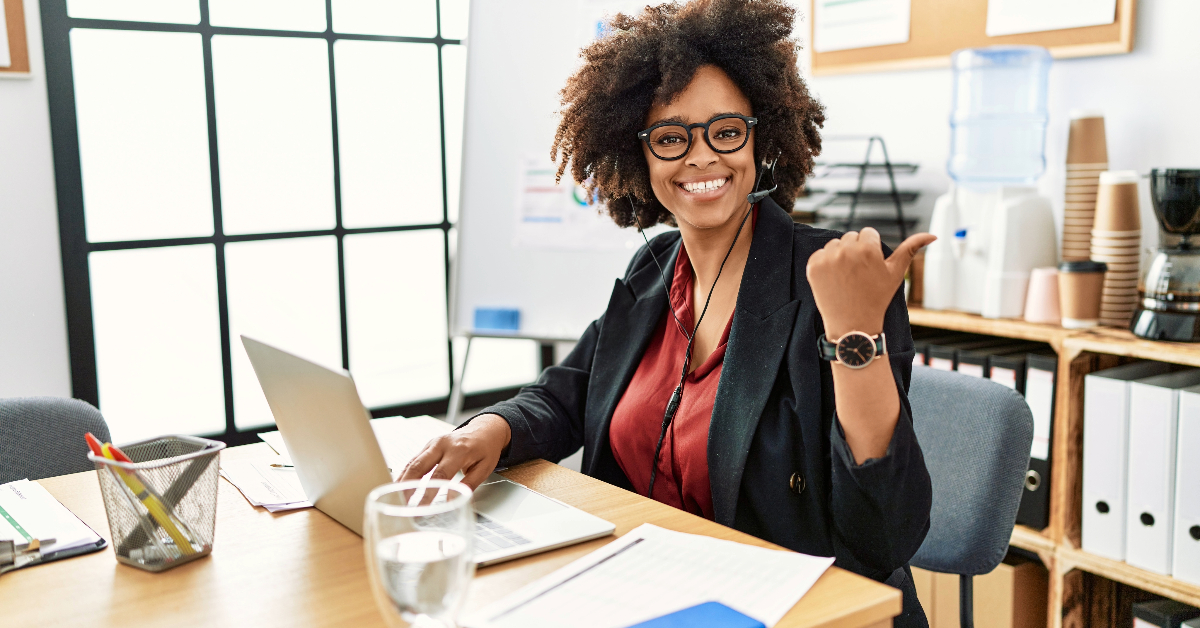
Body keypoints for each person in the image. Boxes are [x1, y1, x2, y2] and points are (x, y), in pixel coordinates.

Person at [402, 0, 935, 625]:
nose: (702, 157)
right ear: (640, 154)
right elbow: (570, 394)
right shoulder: (654, 269)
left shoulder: (833, 280)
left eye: (727, 130)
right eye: (672, 137)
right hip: (645, 586)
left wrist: (854, 335)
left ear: (760, 138)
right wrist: (487, 430)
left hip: (789, 607)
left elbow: (884, 536)